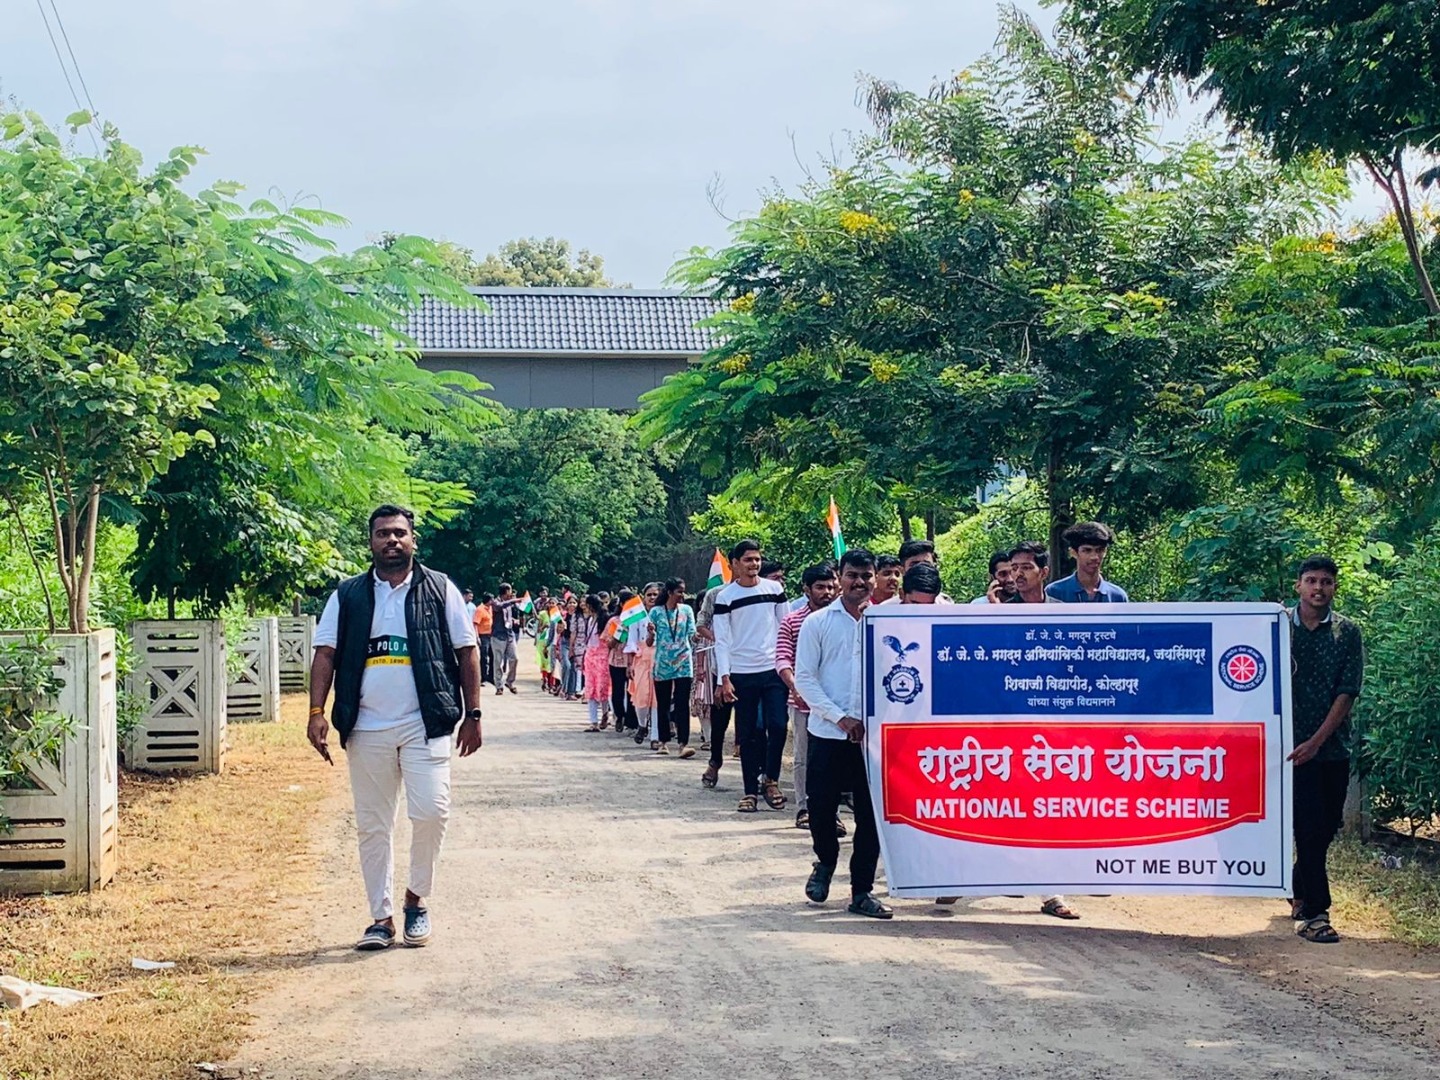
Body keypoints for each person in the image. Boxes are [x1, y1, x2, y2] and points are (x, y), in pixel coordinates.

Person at [307, 504, 483, 951]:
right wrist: (315, 712)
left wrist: (474, 714)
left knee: (432, 812)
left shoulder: (440, 588)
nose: (392, 540)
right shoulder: (347, 595)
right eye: (383, 533)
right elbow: (325, 653)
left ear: (413, 540)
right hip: (367, 728)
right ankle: (381, 918)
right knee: (373, 824)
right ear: (370, 542)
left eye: (400, 533)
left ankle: (416, 901)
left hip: (427, 724)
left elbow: (466, 651)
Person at [793, 547, 891, 919]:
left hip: (872, 740)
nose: (860, 582)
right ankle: (824, 862)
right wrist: (840, 718)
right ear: (839, 577)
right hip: (827, 733)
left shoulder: (886, 623)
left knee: (871, 816)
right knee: (820, 810)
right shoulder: (817, 624)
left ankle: (861, 891)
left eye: (867, 576)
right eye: (853, 575)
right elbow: (805, 679)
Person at [1288, 555, 1364, 944]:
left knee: (1326, 827)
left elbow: (1347, 692)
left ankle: (1296, 883)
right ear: (1298, 585)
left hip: (1331, 748)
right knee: (1308, 829)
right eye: (1311, 581)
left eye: (1326, 582)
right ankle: (1315, 912)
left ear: (1335, 587)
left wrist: (1316, 742)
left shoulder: (1347, 632)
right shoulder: (1277, 628)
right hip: (1288, 752)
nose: (1319, 588)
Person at [1002, 540, 1077, 920]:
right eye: (1014, 567)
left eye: (1026, 567)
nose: (1018, 574)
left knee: (1049, 811)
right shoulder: (996, 616)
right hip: (1008, 729)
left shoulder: (1066, 614)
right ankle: (961, 879)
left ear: (1044, 572)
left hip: (1055, 731)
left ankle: (1052, 893)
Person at [713, 539, 789, 813]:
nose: (754, 564)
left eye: (757, 559)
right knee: (749, 732)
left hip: (772, 670)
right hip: (742, 672)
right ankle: (749, 792)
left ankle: (771, 778)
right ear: (735, 564)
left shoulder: (775, 590)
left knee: (778, 725)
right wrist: (724, 677)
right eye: (748, 560)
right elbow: (721, 639)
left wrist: (787, 665)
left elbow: (785, 627)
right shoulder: (726, 596)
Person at [775, 562, 842, 832]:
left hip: (838, 704)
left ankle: (832, 812)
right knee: (803, 756)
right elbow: (781, 658)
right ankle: (804, 808)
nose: (827, 592)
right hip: (803, 703)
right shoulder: (792, 620)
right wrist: (796, 686)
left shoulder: (848, 619)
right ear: (806, 589)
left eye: (830, 586)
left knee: (833, 759)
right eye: (820, 587)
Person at [650, 578, 697, 758]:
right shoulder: (655, 612)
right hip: (662, 663)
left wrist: (697, 638)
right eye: (679, 591)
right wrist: (650, 633)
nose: (682, 595)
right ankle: (663, 742)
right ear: (669, 592)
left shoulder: (687, 610)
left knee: (682, 703)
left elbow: (691, 634)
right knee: (663, 703)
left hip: (683, 663)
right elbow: (649, 641)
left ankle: (683, 743)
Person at [697, 584, 734, 787]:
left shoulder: (766, 593)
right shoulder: (717, 594)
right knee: (720, 718)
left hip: (756, 667)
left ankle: (764, 775)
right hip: (720, 666)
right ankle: (715, 761)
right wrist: (719, 640)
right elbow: (701, 623)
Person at [1046, 522, 1128, 603]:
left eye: (1099, 550)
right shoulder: (1054, 592)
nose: (1094, 557)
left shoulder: (1117, 596)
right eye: (1087, 550)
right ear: (1073, 552)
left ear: (1105, 552)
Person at [629, 582, 660, 748]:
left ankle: (655, 736)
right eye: (649, 595)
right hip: (641, 659)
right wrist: (629, 663)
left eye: (655, 594)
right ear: (644, 597)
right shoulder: (637, 616)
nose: (652, 598)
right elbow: (632, 640)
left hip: (659, 658)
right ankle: (642, 724)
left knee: (656, 699)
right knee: (641, 697)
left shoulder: (663, 614)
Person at [605, 591, 637, 735]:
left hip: (634, 660)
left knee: (632, 692)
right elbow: (608, 642)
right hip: (616, 660)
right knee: (618, 691)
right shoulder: (614, 621)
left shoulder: (638, 620)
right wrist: (617, 636)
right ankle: (619, 715)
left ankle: (632, 722)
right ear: (622, 604)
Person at [578, 593, 612, 731]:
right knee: (590, 689)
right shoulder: (589, 620)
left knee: (602, 688)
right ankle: (593, 721)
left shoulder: (606, 620)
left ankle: (605, 714)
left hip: (603, 657)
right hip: (590, 657)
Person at [490, 584, 521, 694]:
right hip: (498, 636)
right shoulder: (495, 602)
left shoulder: (509, 604)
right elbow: (498, 607)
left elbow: (506, 617)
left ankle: (510, 681)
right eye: (510, 591)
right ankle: (499, 685)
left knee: (515, 658)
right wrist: (513, 601)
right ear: (506, 591)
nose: (511, 594)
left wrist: (513, 620)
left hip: (509, 635)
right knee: (498, 661)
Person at [472, 592, 495, 687]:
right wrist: (477, 637)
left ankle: (491, 676)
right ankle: (483, 677)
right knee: (484, 657)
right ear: (488, 600)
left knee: (493, 656)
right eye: (492, 600)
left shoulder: (490, 608)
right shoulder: (480, 609)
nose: (493, 601)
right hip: (483, 635)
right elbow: (475, 624)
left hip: (491, 635)